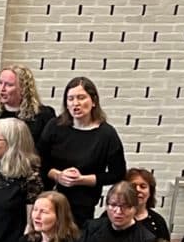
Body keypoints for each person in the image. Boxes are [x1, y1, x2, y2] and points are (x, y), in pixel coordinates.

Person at [37, 75, 126, 226]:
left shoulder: (106, 134)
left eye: (81, 97)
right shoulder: (55, 126)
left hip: (83, 205)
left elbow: (117, 173)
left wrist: (82, 180)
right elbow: (38, 160)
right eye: (70, 98)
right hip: (50, 200)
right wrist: (58, 176)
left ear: (94, 101)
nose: (75, 104)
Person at [0, 63, 54, 166]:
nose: (2, 89)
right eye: (0, 83)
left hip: (24, 174)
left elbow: (46, 153)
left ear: (23, 89)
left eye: (9, 85)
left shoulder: (42, 115)